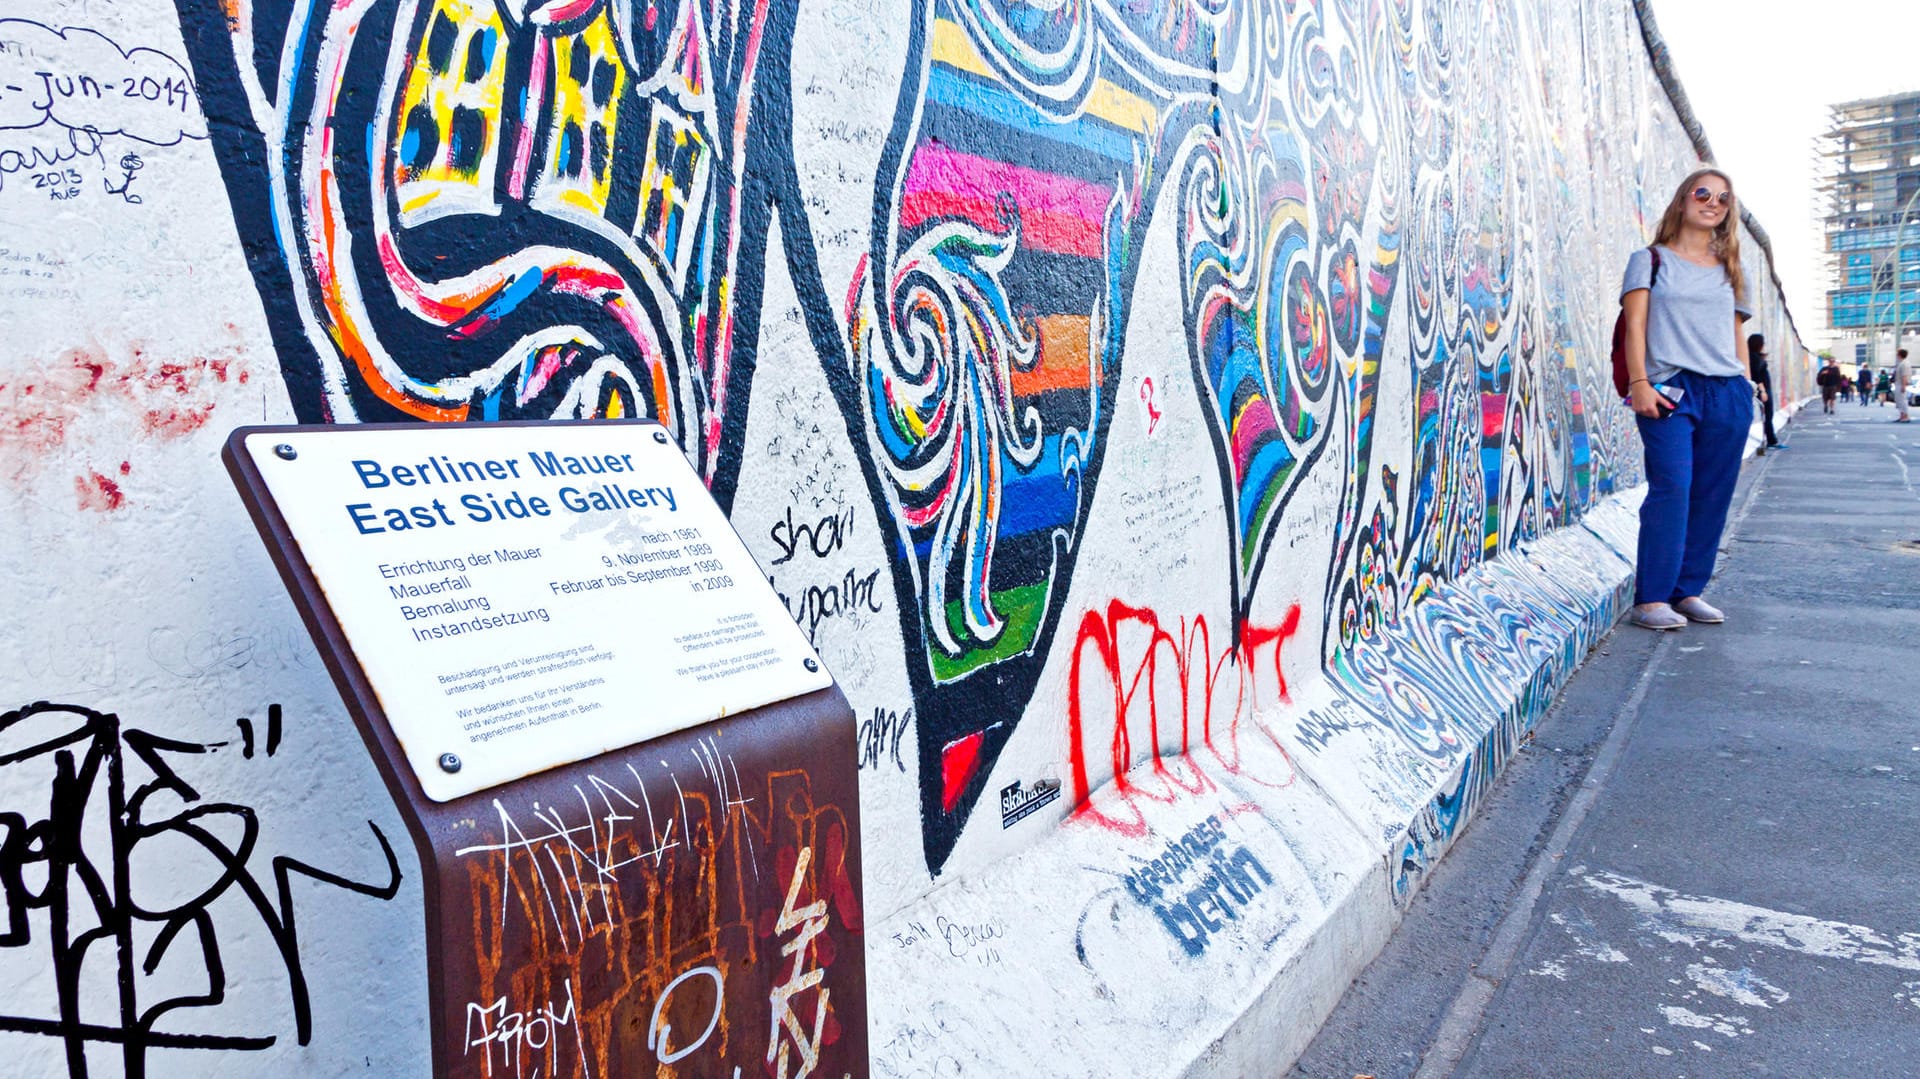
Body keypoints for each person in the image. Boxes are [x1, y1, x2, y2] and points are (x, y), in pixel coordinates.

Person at [1619, 168, 1753, 631]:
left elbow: (1736, 330)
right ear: (1682, 201)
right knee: (1672, 487)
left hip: (1727, 392)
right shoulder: (1651, 260)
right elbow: (1636, 326)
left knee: (1712, 494)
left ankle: (1688, 590)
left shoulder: (1731, 267)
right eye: (1703, 193)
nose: (1712, 202)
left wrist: (1747, 387)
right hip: (1670, 388)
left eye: (1722, 198)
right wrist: (1639, 383)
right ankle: (1652, 598)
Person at [1747, 333, 1781, 452]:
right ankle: (1771, 441)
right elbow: (1757, 376)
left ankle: (1771, 440)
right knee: (1768, 415)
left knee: (1767, 415)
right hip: (1763, 390)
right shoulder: (1754, 358)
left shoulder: (1753, 356)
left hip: (1764, 390)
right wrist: (1763, 391)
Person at [1897, 348, 1913, 424]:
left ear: (1900, 355)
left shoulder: (1904, 364)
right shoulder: (1903, 363)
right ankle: (1902, 415)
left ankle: (1905, 416)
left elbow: (1904, 375)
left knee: (1902, 400)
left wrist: (1903, 385)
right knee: (1899, 400)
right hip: (1900, 383)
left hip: (1901, 384)